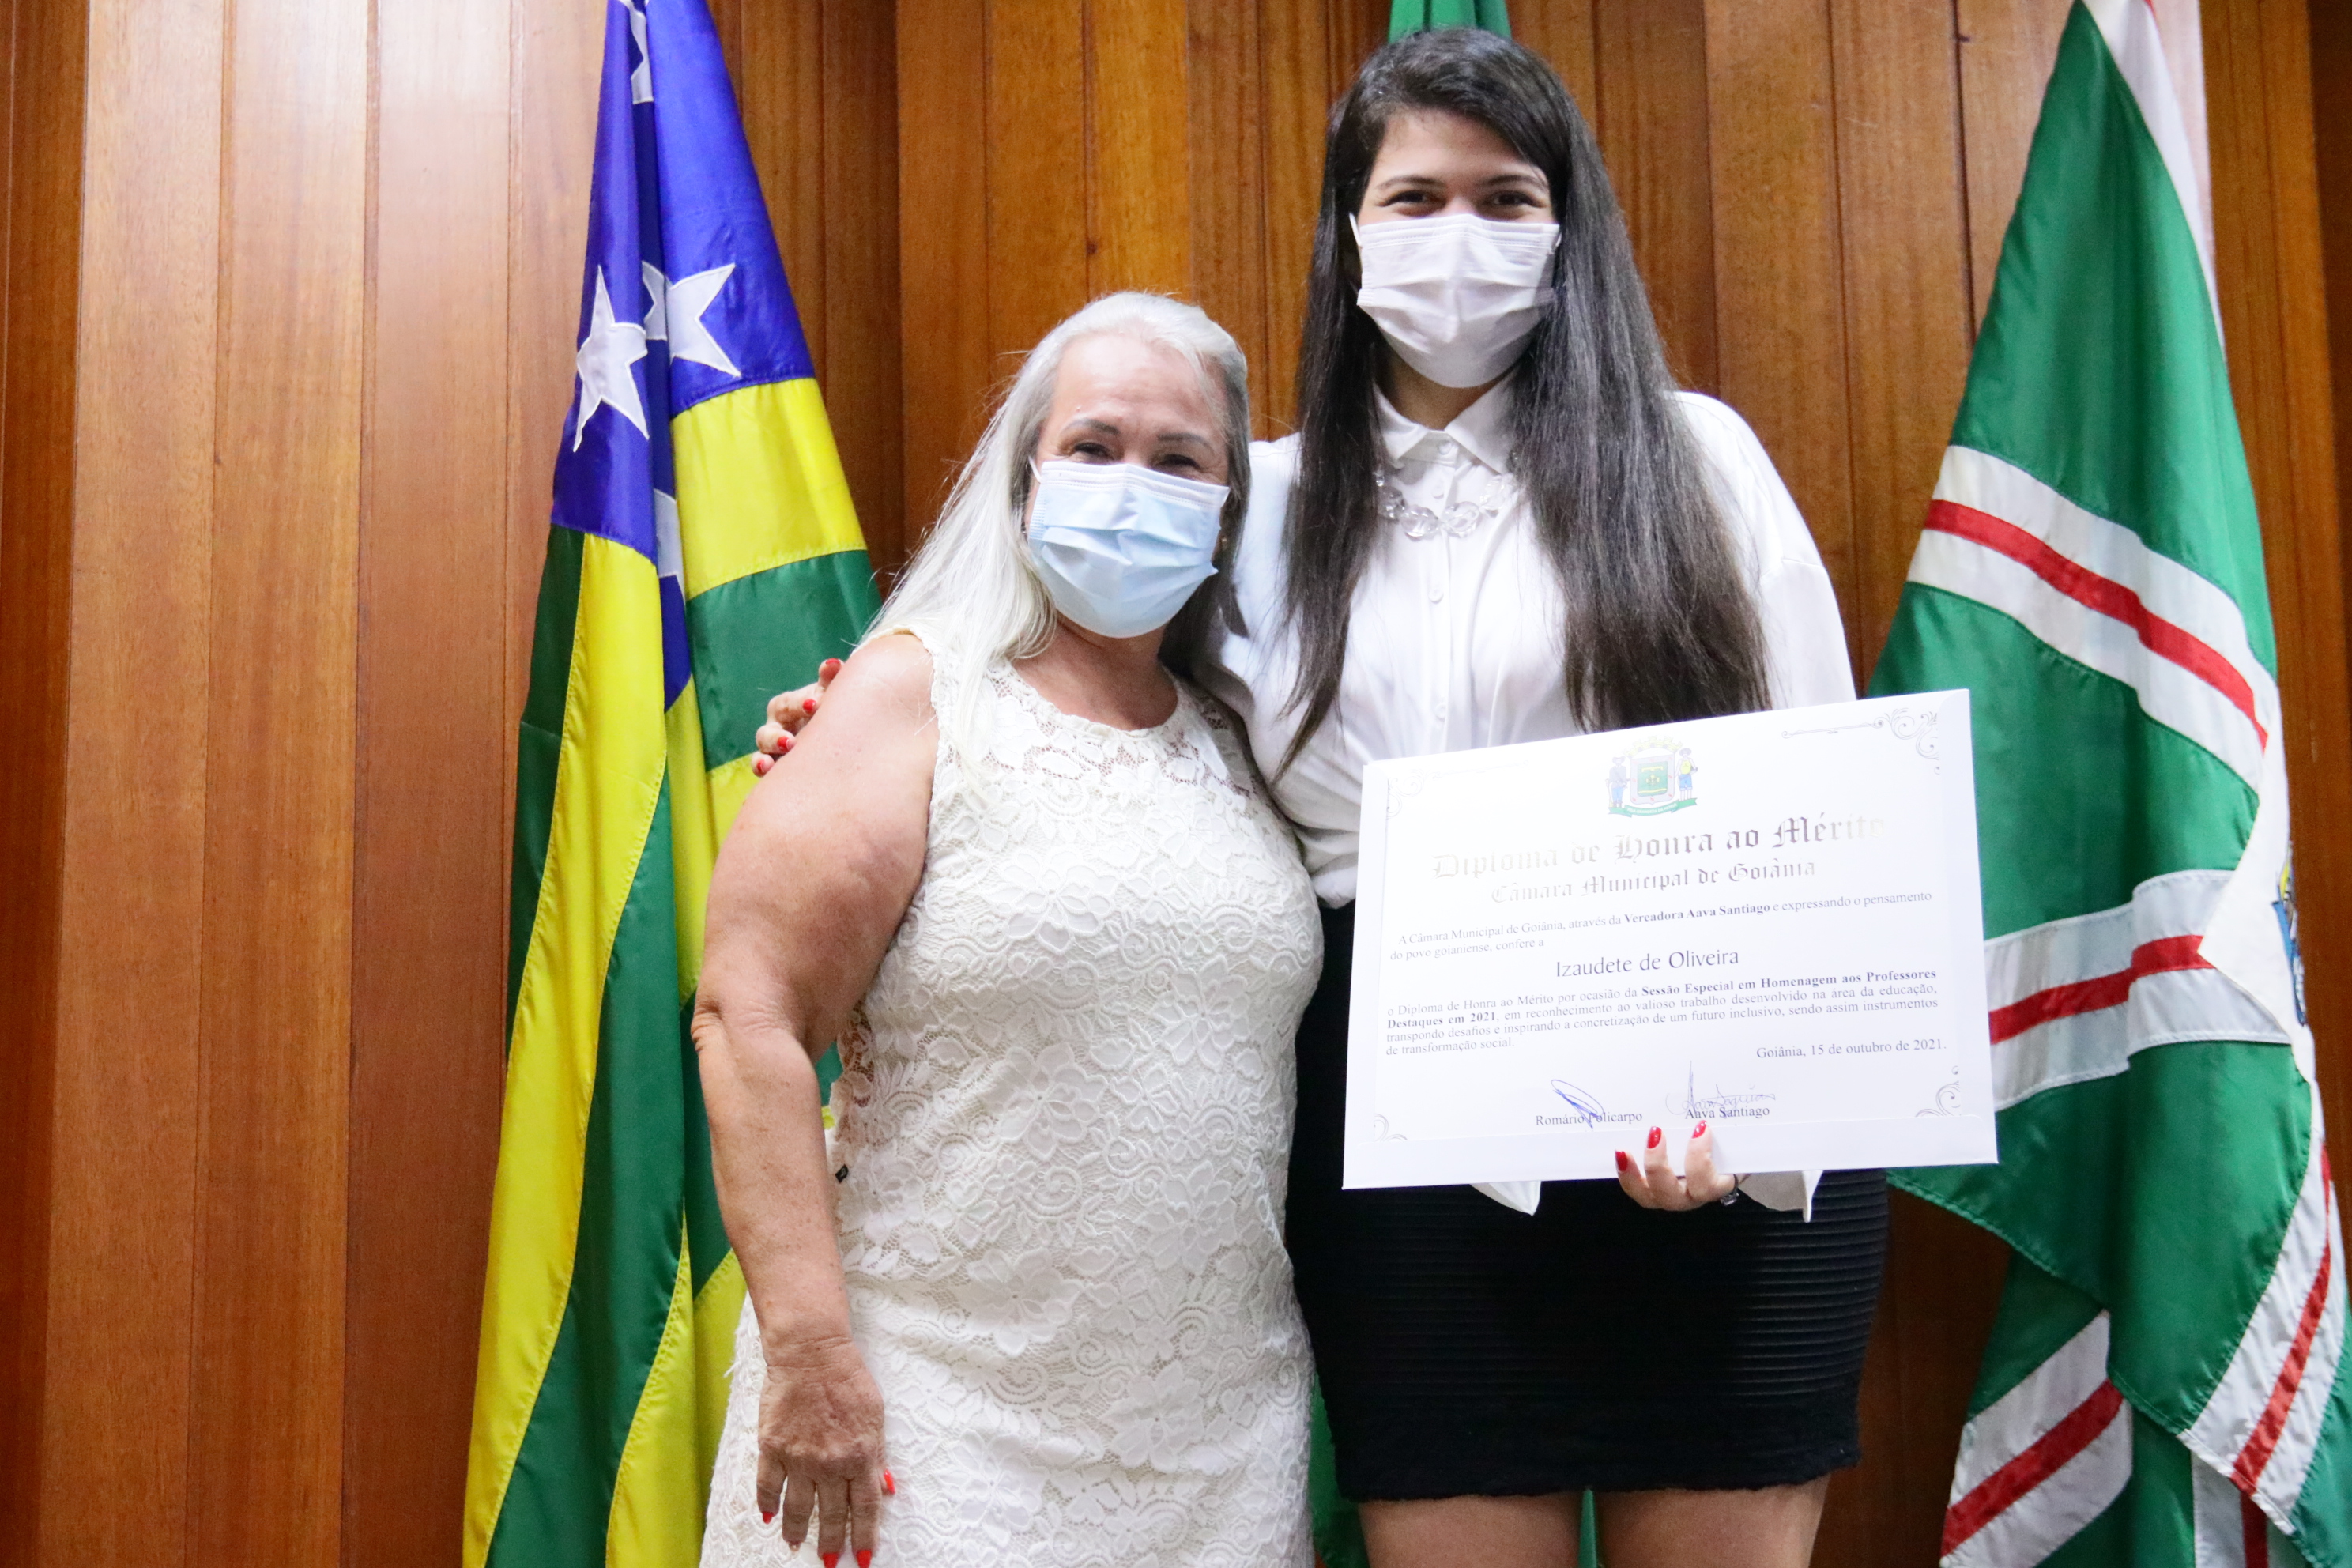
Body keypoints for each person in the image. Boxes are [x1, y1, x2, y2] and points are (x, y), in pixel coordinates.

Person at [761, 31, 1884, 1568]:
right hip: (1405, 1144)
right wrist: (851, 730)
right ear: (1349, 233)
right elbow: (1091, 696)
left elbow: (1818, 809)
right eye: (1414, 199)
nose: (1458, 236)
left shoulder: (1701, 462)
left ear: (1570, 228)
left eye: (1506, 198)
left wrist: (1750, 1113)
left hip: (1709, 1121)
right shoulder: (1256, 505)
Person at [695, 292, 1321, 1568]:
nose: (1133, 484)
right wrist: (809, 1350)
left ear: (1229, 512)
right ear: (1026, 481)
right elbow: (748, 1016)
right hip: (925, 1420)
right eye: (1094, 446)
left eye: (1180, 459)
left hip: (1220, 1447)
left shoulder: (1254, 740)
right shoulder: (909, 696)